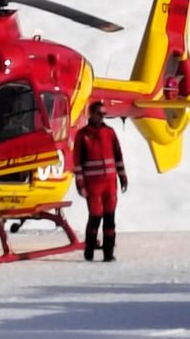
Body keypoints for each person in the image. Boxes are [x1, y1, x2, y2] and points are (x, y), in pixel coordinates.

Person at [72, 101, 127, 262]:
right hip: (93, 185)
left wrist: (122, 175)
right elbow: (77, 163)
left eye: (104, 113)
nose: (102, 116)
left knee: (110, 219)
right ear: (92, 114)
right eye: (100, 113)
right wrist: (80, 185)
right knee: (95, 217)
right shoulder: (83, 135)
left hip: (110, 184)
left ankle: (108, 253)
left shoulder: (109, 132)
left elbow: (118, 156)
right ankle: (89, 252)